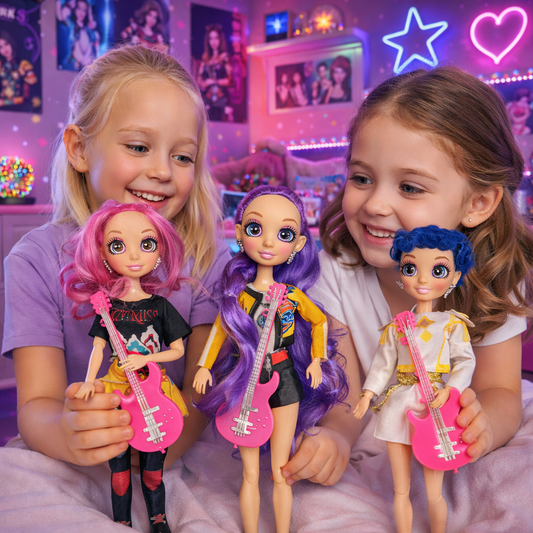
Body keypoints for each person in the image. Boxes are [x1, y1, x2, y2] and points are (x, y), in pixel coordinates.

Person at [1, 45, 230, 529]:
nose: (163, 170)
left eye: (182, 156)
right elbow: (37, 405)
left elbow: (199, 390)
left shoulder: (208, 260)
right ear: (80, 149)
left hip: (174, 449)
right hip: (70, 459)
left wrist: (156, 443)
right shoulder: (34, 260)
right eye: (139, 147)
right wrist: (71, 433)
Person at [309, 66, 533, 517]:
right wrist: (335, 436)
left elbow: (500, 390)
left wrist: (481, 426)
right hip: (381, 427)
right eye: (361, 178)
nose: (375, 204)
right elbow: (347, 393)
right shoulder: (335, 270)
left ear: (477, 203)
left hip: (458, 426)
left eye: (409, 187)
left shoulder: (496, 275)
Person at [193, 186, 350, 533]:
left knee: (281, 470)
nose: (267, 242)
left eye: (284, 234)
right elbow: (219, 330)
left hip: (284, 376)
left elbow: (320, 322)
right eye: (255, 228)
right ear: (239, 233)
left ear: (298, 244)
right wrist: (204, 366)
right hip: (246, 378)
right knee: (249, 472)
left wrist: (317, 359)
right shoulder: (240, 296)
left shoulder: (292, 296)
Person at [61, 201, 193, 532]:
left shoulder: (160, 306)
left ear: (160, 251)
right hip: (118, 388)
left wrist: (146, 358)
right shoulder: (108, 309)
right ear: (103, 255)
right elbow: (98, 347)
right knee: (118, 470)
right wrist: (89, 380)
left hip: (154, 389)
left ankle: (158, 519)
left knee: (153, 468)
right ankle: (121, 520)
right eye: (118, 245)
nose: (134, 255)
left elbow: (177, 350)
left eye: (146, 243)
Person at [354, 226, 476, 533]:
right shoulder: (397, 327)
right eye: (411, 269)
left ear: (455, 278)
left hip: (435, 403)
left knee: (435, 490)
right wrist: (368, 394)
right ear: (401, 273)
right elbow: (383, 364)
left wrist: (452, 389)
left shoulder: (451, 324)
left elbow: (465, 361)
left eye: (438, 270)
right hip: (400, 404)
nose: (422, 280)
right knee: (401, 488)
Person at [196, 23, 233, 122]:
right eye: (211, 38)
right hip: (208, 101)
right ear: (208, 40)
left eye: (216, 38)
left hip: (222, 100)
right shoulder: (205, 58)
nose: (214, 41)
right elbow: (199, 79)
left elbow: (230, 80)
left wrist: (213, 81)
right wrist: (203, 83)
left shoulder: (224, 57)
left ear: (220, 39)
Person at [0, 30, 37, 108]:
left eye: (6, 44)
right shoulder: (1, 65)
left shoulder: (23, 64)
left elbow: (28, 96)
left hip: (20, 108)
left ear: (11, 43)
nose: (5, 49)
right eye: (0, 47)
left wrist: (5, 102)